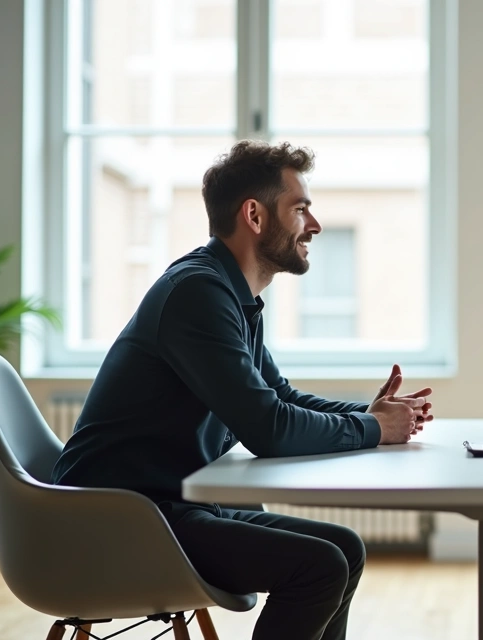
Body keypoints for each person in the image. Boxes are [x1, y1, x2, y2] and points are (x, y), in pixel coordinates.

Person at [51, 140, 433, 640]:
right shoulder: (198, 293)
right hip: (122, 519)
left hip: (169, 505)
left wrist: (372, 415)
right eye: (300, 209)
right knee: (319, 567)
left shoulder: (230, 294)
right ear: (254, 215)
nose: (313, 226)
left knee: (344, 550)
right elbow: (269, 428)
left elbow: (279, 397)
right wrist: (371, 428)